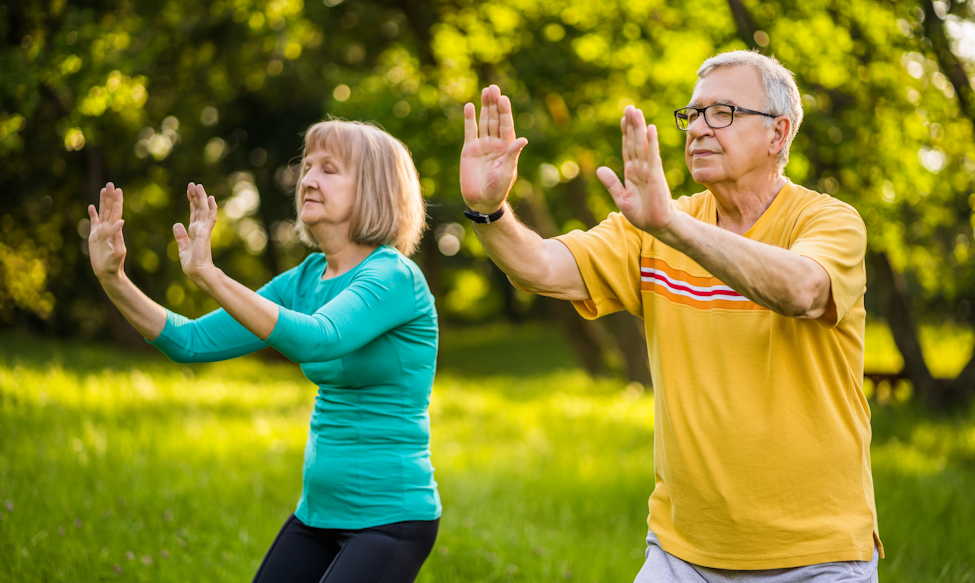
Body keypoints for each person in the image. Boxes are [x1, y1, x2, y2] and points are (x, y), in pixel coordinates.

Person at [459, 51, 881, 581]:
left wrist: (673, 227)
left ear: (778, 134)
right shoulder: (657, 225)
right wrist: (489, 212)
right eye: (693, 114)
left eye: (722, 112)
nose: (700, 128)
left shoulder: (827, 220)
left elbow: (801, 288)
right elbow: (541, 267)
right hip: (683, 553)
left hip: (816, 553)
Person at [87, 120, 440, 583]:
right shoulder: (306, 279)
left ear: (374, 188)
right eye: (307, 166)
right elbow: (189, 342)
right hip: (316, 515)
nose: (309, 179)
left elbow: (319, 337)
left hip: (390, 520)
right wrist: (114, 279)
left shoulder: (394, 277)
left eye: (329, 169)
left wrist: (211, 276)